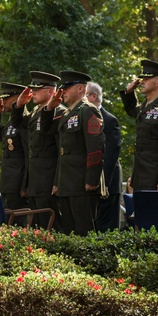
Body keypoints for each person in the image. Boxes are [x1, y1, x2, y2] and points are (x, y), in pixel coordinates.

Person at [51, 70, 105, 235]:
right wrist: (57, 182)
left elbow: (96, 147)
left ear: (80, 89)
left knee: (84, 230)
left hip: (82, 183)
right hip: (67, 182)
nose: (63, 91)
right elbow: (62, 152)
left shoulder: (88, 110)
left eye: (67, 87)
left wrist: (92, 179)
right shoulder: (67, 114)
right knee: (69, 231)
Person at [119, 59, 158, 191]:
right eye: (142, 78)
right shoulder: (145, 106)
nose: (142, 81)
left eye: (147, 79)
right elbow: (132, 110)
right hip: (140, 176)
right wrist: (129, 93)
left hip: (156, 178)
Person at [15, 71, 64, 230]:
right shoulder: (36, 111)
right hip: (36, 179)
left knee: (50, 224)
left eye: (37, 90)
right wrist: (20, 105)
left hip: (48, 179)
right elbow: (19, 123)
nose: (33, 93)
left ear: (51, 91)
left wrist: (57, 181)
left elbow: (59, 151)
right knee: (36, 225)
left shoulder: (59, 112)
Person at [85, 81, 122, 232]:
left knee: (107, 228)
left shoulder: (109, 120)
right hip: (92, 182)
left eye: (84, 96)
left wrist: (103, 184)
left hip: (107, 183)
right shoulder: (85, 118)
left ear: (93, 96)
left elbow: (112, 153)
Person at [0, 81, 29, 210]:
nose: (3, 102)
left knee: (17, 223)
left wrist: (25, 185)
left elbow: (28, 156)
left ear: (18, 97)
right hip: (7, 182)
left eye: (7, 98)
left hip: (18, 184)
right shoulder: (11, 122)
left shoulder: (25, 121)